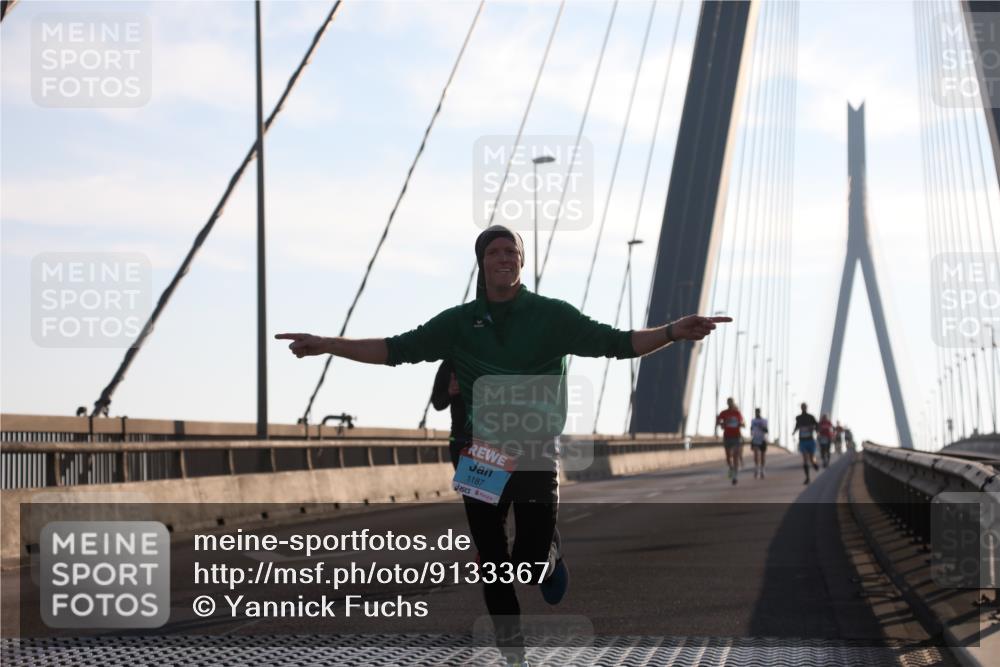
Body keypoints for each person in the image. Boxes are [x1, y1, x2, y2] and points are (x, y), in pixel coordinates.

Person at [276, 224, 730, 666]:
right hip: (481, 453)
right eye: (494, 252)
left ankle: (548, 555)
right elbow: (395, 349)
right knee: (493, 562)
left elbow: (617, 343)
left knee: (526, 567)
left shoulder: (552, 315)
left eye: (512, 251)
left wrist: (672, 331)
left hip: (533, 450)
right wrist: (328, 345)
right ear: (481, 263)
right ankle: (515, 658)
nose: (504, 258)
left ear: (522, 262)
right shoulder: (458, 323)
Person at [430, 360, 468, 468]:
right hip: (461, 442)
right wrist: (450, 391)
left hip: (496, 443)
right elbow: (438, 403)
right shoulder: (450, 363)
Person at [716, 397, 745, 485]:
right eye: (728, 402)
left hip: (736, 437)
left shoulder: (737, 413)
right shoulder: (723, 413)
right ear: (727, 403)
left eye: (731, 402)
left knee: (735, 456)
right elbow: (718, 422)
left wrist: (741, 424)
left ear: (733, 403)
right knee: (728, 457)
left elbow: (743, 423)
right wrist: (721, 425)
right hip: (727, 437)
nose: (730, 404)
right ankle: (731, 468)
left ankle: (735, 476)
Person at [792, 403, 820, 484]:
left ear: (806, 408)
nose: (803, 408)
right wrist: (794, 432)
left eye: (804, 407)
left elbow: (816, 425)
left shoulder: (811, 417)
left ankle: (814, 464)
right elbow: (797, 426)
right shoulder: (798, 418)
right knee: (805, 459)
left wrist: (816, 430)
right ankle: (807, 477)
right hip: (802, 441)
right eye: (802, 407)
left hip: (810, 440)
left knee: (811, 458)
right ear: (801, 408)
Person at [749, 407, 768, 479]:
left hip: (762, 439)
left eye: (758, 412)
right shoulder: (753, 420)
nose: (757, 413)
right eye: (756, 412)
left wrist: (762, 427)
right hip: (755, 439)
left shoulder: (764, 420)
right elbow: (751, 428)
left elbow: (766, 430)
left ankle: (762, 470)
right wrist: (751, 433)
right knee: (756, 455)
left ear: (760, 412)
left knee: (763, 456)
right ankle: (756, 469)